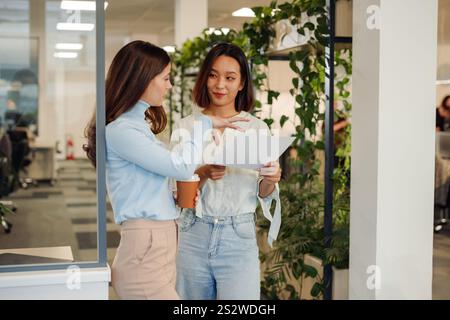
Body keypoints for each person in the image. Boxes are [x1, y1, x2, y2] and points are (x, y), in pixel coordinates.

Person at [83, 40, 247, 300]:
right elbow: (180, 167)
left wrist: (178, 192)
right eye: (166, 78)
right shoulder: (122, 130)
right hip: (146, 246)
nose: (170, 86)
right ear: (142, 79)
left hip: (156, 243)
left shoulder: (137, 125)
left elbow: (155, 181)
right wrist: (204, 124)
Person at [171, 43, 282, 300]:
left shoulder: (255, 128)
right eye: (213, 75)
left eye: (230, 78)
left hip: (238, 236)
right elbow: (178, 195)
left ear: (242, 83)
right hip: (193, 233)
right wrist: (204, 172)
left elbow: (263, 194)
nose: (220, 85)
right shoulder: (187, 126)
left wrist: (271, 179)